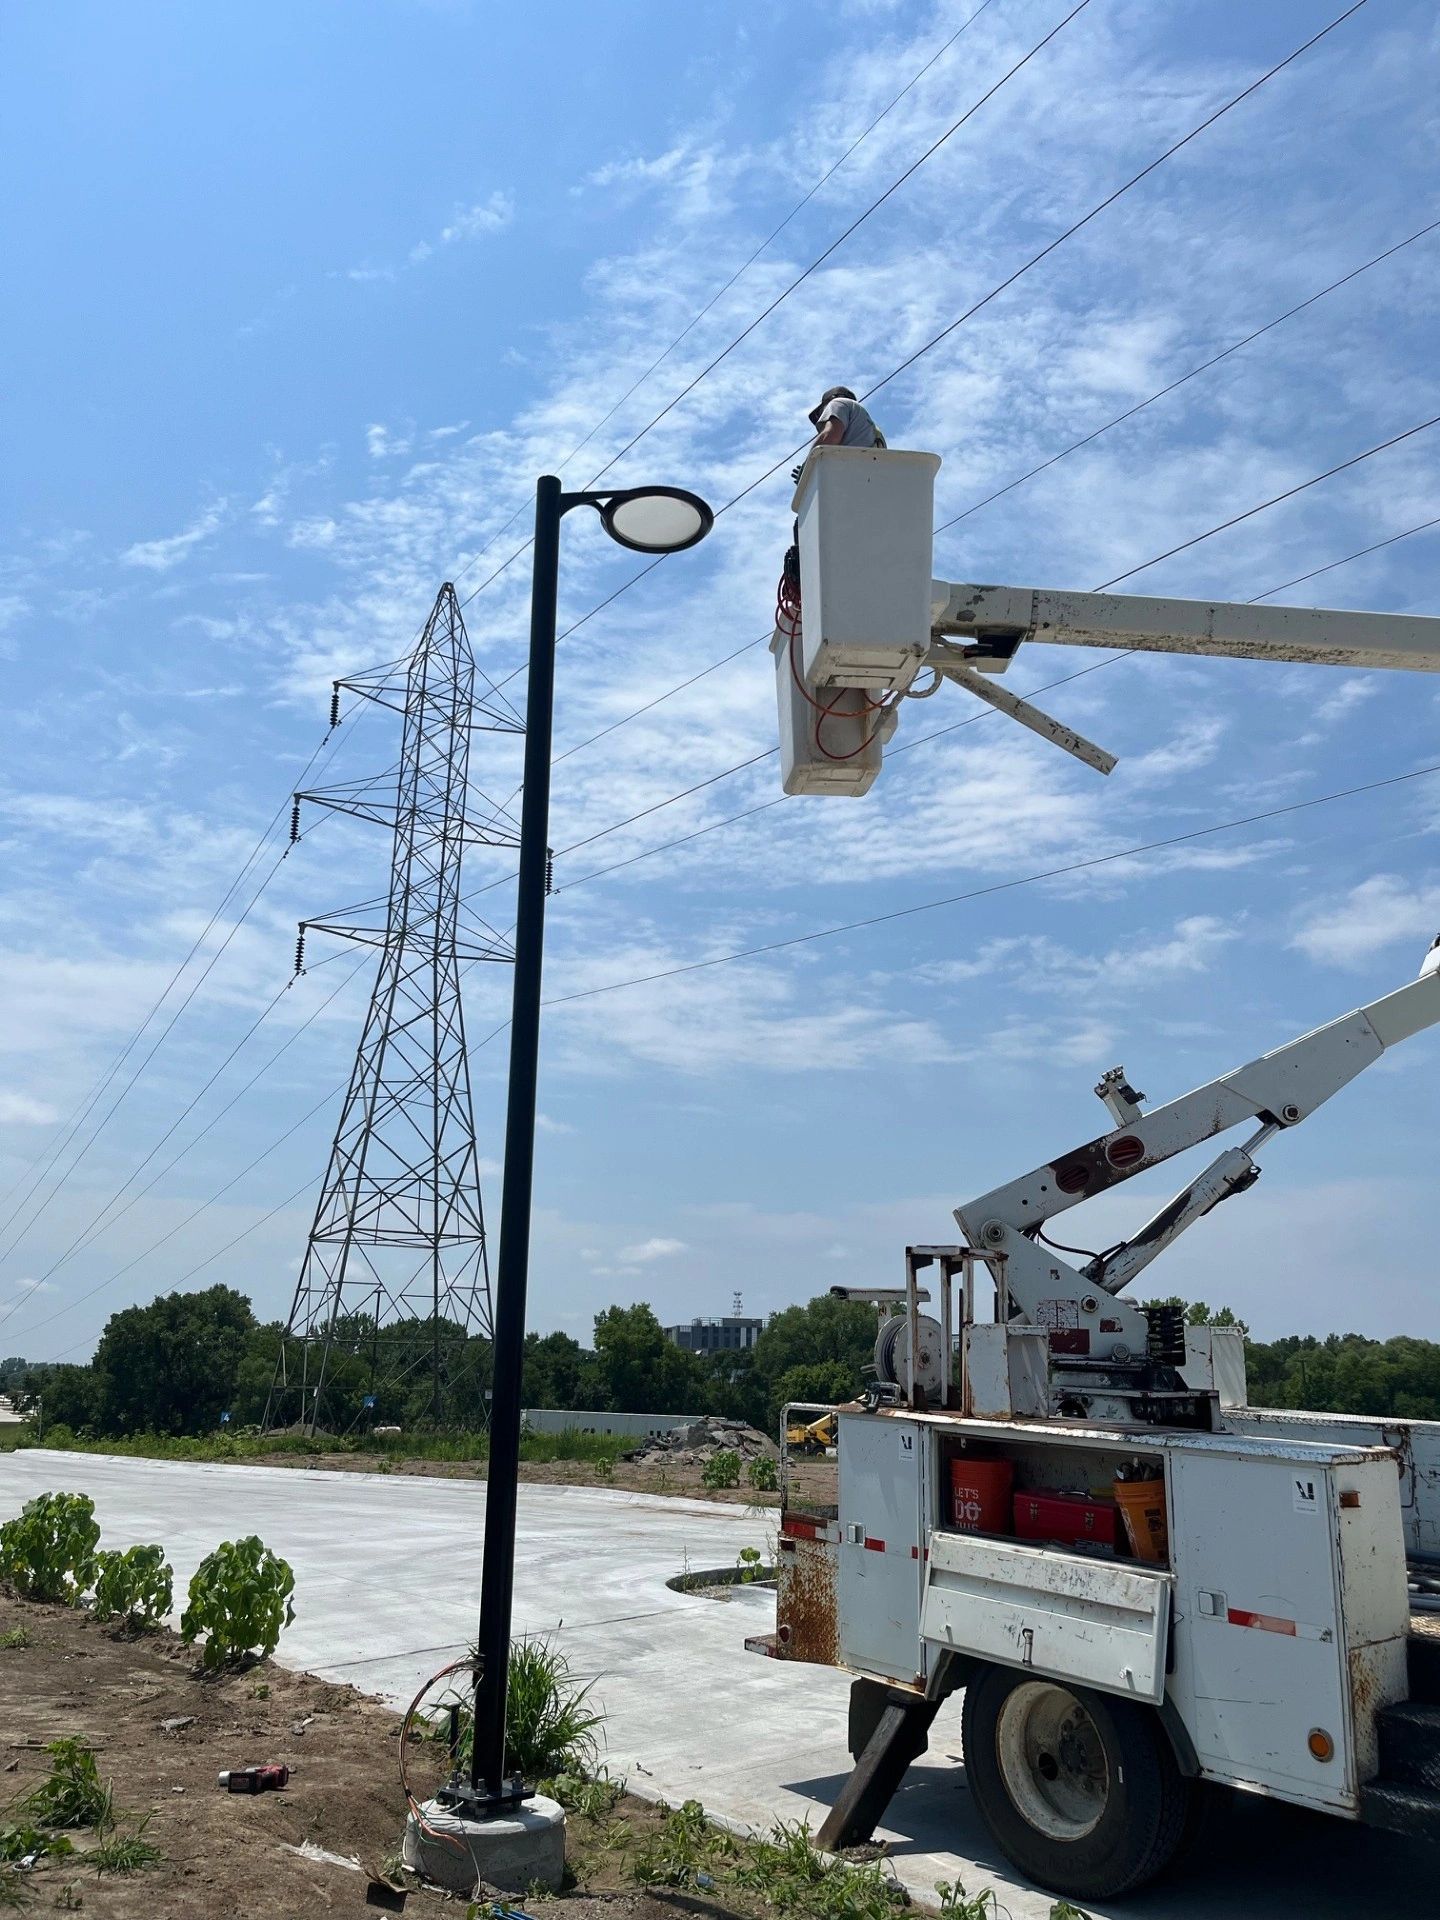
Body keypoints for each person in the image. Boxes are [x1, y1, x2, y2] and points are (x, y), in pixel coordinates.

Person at [792, 386, 886, 481]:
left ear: (828, 401)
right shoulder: (874, 432)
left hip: (850, 476)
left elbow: (830, 437)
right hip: (872, 480)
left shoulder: (837, 403)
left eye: (821, 412)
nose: (822, 416)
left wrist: (808, 468)